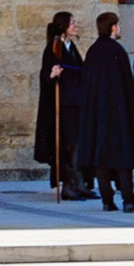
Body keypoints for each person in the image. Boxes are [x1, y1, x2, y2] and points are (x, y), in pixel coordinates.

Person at [73, 13, 134, 213]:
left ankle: (107, 200)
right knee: (123, 158)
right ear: (113, 27)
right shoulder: (117, 51)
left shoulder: (93, 52)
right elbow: (126, 86)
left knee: (102, 159)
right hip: (118, 115)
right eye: (119, 25)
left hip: (97, 116)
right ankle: (128, 199)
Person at [35, 12, 88, 200]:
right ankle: (67, 184)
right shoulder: (54, 48)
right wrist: (52, 73)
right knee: (67, 145)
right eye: (72, 23)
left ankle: (79, 183)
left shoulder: (70, 47)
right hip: (63, 106)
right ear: (63, 26)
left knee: (76, 144)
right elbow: (46, 75)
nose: (75, 25)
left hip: (74, 103)